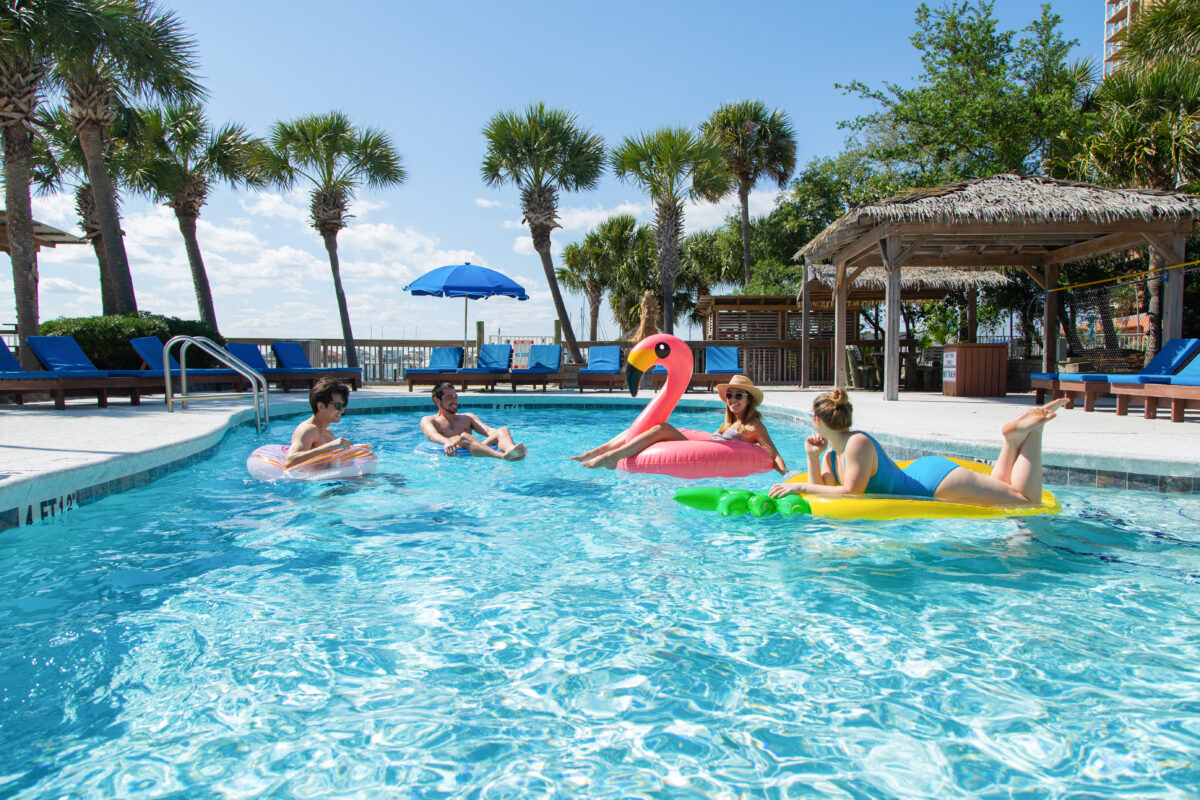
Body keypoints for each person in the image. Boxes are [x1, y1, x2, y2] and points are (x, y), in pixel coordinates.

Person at [768, 387, 1067, 506]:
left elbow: (851, 492)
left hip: (934, 483)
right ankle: (1012, 439)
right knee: (1001, 488)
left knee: (1027, 501)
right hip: (923, 475)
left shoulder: (856, 444)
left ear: (818, 421)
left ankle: (1035, 432)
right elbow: (827, 491)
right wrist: (811, 457)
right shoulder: (831, 454)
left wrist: (799, 488)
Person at [573, 374, 786, 472]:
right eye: (730, 395)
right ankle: (599, 450)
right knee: (644, 426)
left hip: (708, 452)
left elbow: (773, 453)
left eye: (739, 395)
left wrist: (785, 474)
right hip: (705, 446)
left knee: (662, 428)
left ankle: (612, 456)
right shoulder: (729, 422)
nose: (732, 399)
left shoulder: (753, 426)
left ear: (749, 399)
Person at [421, 382, 526, 461]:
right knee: (464, 436)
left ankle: (511, 451)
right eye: (449, 398)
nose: (454, 401)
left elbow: (488, 431)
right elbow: (431, 435)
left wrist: (503, 438)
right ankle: (502, 456)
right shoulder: (429, 420)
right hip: (456, 451)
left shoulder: (467, 417)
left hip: (474, 447)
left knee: (502, 430)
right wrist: (446, 441)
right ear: (436, 400)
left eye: (456, 397)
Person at [284, 377, 371, 469]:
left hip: (328, 481)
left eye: (343, 406)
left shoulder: (328, 433)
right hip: (314, 482)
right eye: (338, 406)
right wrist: (329, 447)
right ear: (321, 406)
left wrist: (352, 448)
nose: (342, 410)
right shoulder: (308, 430)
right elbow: (289, 461)